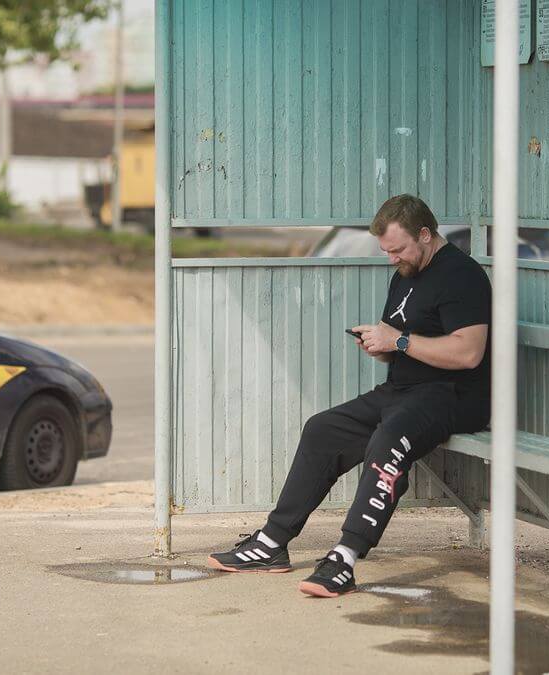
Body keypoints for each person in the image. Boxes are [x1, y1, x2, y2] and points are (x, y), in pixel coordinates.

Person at [207, 194, 492, 598]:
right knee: (322, 429)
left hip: (452, 396)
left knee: (388, 440)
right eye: (386, 250)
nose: (392, 258)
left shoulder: (462, 276)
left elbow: (468, 353)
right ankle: (272, 542)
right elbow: (399, 341)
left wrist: (399, 341)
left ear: (426, 235)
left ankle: (345, 558)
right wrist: (380, 345)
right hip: (402, 391)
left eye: (398, 249)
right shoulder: (406, 273)